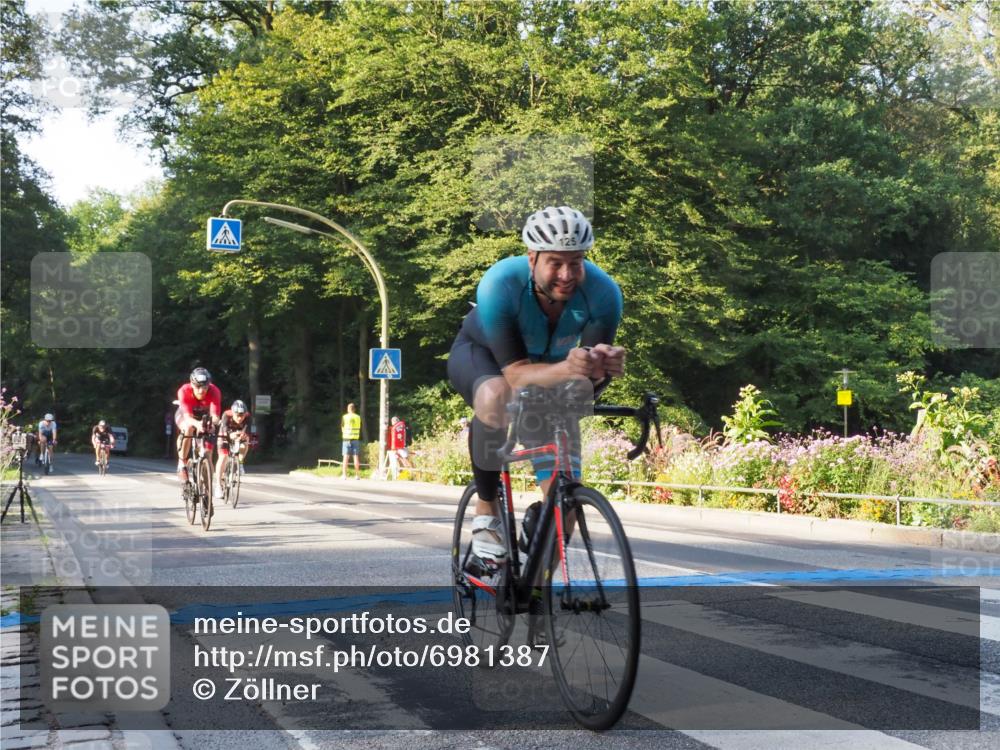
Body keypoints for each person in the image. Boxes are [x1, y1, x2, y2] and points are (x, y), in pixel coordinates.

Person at [447, 206, 625, 562]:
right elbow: (515, 375)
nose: (566, 274)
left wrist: (601, 369)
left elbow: (581, 387)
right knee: (496, 395)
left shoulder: (604, 294)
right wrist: (571, 368)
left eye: (575, 263)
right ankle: (486, 511)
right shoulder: (501, 282)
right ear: (532, 258)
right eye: (555, 263)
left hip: (548, 372)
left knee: (566, 509)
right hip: (485, 357)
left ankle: (536, 593)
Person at [175, 367, 222, 483]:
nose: (201, 391)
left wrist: (212, 424)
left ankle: (206, 485)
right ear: (191, 384)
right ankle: (182, 462)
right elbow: (187, 418)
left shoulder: (214, 391)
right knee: (189, 428)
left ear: (209, 385)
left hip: (204, 417)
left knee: (207, 450)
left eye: (205, 387)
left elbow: (215, 416)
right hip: (186, 415)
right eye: (197, 387)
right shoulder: (184, 391)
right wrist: (197, 424)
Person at [215, 400, 253, 502]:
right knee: (223, 457)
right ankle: (218, 486)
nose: (240, 418)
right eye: (237, 415)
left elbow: (248, 432)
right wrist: (230, 435)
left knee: (246, 441)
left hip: (239, 434)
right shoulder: (226, 415)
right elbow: (224, 429)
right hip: (225, 434)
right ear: (233, 413)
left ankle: (240, 463)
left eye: (242, 415)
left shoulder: (248, 417)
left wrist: (243, 436)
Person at [340, 403, 362, 479]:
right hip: (355, 439)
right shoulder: (358, 417)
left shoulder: (344, 417)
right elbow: (359, 426)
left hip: (346, 439)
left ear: (348, 409)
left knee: (346, 457)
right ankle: (357, 475)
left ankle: (344, 475)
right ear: (354, 409)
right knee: (356, 457)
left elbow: (342, 427)